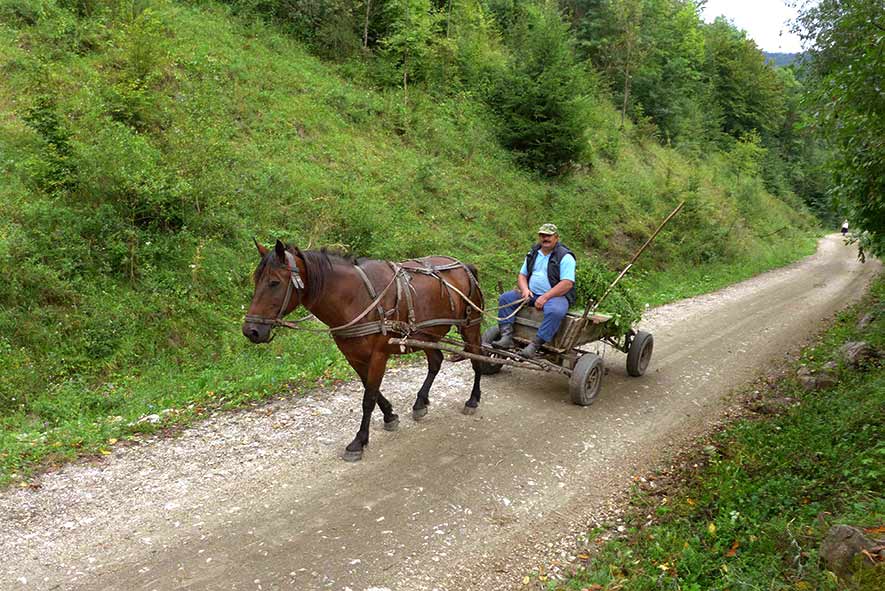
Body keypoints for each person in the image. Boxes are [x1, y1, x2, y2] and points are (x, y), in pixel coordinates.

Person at [492, 223, 577, 358]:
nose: (545, 238)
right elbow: (522, 275)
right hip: (531, 294)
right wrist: (525, 290)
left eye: (549, 236)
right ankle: (506, 337)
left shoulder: (565, 256)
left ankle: (535, 345)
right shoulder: (533, 253)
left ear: (556, 237)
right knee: (506, 298)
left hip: (555, 296)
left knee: (556, 311)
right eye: (542, 235)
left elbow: (567, 283)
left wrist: (545, 297)